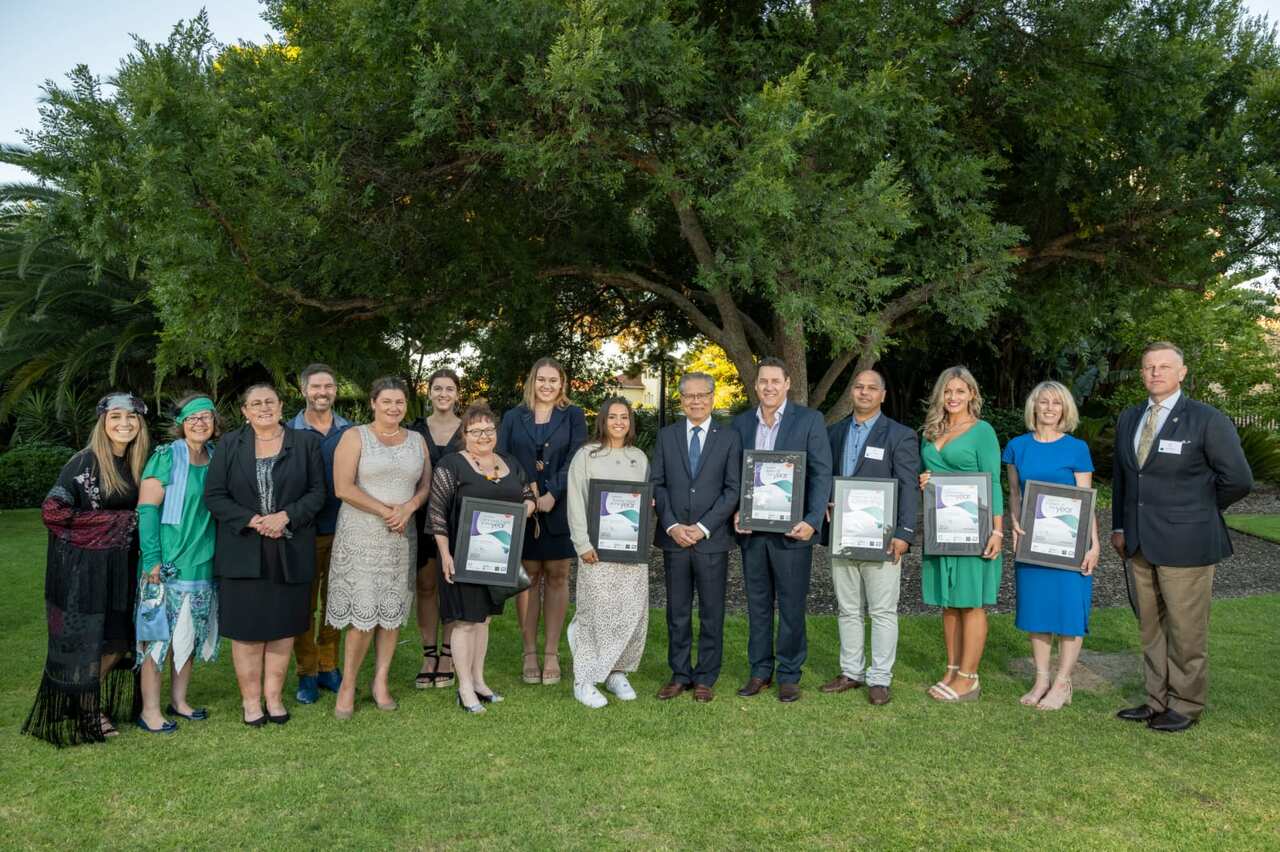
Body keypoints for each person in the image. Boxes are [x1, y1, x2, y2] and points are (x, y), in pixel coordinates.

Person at [1111, 342, 1252, 732]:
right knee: (1151, 627)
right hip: (1139, 543)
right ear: (1141, 374)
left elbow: (1239, 479)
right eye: (1148, 367)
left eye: (1164, 367)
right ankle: (1157, 700)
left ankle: (1186, 704)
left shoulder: (1207, 419)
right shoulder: (1130, 418)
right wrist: (1119, 527)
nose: (1155, 373)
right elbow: (1125, 478)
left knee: (1186, 630)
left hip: (1187, 544)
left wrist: (1198, 511)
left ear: (1182, 372)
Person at [22, 393, 151, 746]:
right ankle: (89, 710)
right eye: (116, 418)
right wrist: (121, 522)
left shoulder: (140, 463)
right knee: (91, 643)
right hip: (86, 570)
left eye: (131, 418)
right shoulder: (85, 463)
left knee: (120, 641)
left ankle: (80, 698)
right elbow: (54, 511)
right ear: (103, 423)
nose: (124, 424)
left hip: (124, 569)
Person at [205, 382, 326, 727]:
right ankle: (250, 702)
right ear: (244, 411)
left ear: (281, 405)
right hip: (243, 551)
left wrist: (286, 516)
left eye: (269, 402)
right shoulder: (229, 445)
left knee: (282, 629)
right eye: (255, 403)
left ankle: (274, 698)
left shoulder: (305, 444)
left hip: (289, 548)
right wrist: (253, 521)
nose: (263, 408)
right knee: (247, 632)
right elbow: (214, 496)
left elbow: (318, 493)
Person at [327, 377, 431, 719]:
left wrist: (410, 507)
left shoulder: (417, 440)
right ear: (373, 403)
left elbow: (425, 485)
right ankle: (348, 684)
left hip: (401, 537)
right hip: (361, 534)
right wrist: (387, 511)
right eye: (386, 401)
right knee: (363, 614)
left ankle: (381, 681)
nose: (393, 407)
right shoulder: (354, 436)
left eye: (399, 402)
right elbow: (343, 487)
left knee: (392, 612)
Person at [730, 357, 833, 703]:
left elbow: (821, 473)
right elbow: (734, 476)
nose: (769, 387)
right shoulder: (742, 424)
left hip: (793, 532)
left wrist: (812, 519)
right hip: (753, 532)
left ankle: (789, 673)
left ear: (788, 384)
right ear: (756, 385)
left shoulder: (809, 421)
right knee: (757, 604)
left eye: (776, 381)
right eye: (763, 381)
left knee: (790, 605)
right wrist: (735, 512)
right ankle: (760, 671)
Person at [429, 403, 537, 714]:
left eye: (489, 430)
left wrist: (520, 513)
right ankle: (463, 688)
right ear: (464, 434)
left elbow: (528, 496)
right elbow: (437, 513)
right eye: (476, 431)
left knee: (485, 619)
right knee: (465, 621)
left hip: (497, 557)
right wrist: (445, 554)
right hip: (462, 556)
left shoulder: (509, 463)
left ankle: (478, 681)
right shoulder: (451, 465)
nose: (483, 435)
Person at [822, 370, 920, 706]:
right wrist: (822, 504)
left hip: (883, 538)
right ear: (852, 392)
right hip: (842, 535)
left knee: (881, 610)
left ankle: (879, 677)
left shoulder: (900, 435)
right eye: (859, 387)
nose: (864, 392)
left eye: (871, 388)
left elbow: (909, 486)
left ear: (883, 394)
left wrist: (905, 534)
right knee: (847, 608)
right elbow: (823, 478)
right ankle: (851, 672)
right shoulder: (834, 433)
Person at [1003, 382, 1100, 711]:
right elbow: (1015, 494)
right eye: (1043, 402)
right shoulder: (1017, 447)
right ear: (1034, 407)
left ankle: (1062, 683)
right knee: (1037, 611)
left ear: (1064, 409)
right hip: (1033, 544)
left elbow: (1086, 501)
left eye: (1056, 403)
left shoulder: (1077, 449)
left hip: (1071, 544)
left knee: (1069, 612)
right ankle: (1042, 678)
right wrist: (1014, 523)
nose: (1048, 407)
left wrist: (1094, 545)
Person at [650, 373, 741, 703]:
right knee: (677, 610)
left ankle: (705, 675)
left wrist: (702, 528)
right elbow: (657, 483)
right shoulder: (667, 436)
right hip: (674, 539)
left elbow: (733, 490)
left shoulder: (729, 438)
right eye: (689, 396)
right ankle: (679, 673)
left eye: (702, 395)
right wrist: (673, 525)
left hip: (711, 540)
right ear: (681, 400)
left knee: (711, 610)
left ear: (713, 398)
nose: (696, 401)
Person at [134, 394, 223, 734]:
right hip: (168, 562)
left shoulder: (217, 458)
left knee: (188, 635)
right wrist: (153, 559)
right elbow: (147, 509)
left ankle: (180, 700)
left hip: (203, 561)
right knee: (158, 637)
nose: (200, 423)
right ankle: (150, 710)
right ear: (181, 423)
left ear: (214, 423)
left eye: (206, 417)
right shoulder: (166, 457)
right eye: (192, 418)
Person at [498, 358, 587, 685]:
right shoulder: (512, 417)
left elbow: (578, 457)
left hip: (562, 505)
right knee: (529, 576)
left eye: (554, 380)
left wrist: (551, 492)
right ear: (532, 382)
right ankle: (529, 652)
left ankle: (551, 652)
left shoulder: (574, 416)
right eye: (541, 380)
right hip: (523, 507)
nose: (547, 386)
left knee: (558, 575)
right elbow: (503, 458)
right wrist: (528, 493)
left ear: (562, 384)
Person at [918, 366, 1004, 703]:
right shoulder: (930, 432)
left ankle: (969, 678)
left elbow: (993, 481)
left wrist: (997, 530)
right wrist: (926, 481)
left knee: (970, 603)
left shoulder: (982, 432)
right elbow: (932, 475)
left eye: (960, 391)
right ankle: (952, 669)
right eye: (948, 391)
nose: (953, 397)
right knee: (948, 603)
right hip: (942, 527)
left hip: (974, 527)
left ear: (972, 394)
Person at [564, 397, 651, 709]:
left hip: (630, 553)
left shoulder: (638, 458)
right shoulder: (586, 456)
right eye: (612, 416)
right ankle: (584, 679)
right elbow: (575, 501)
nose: (618, 422)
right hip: (595, 552)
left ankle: (616, 672)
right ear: (602, 420)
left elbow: (641, 501)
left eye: (624, 417)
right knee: (596, 614)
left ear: (630, 422)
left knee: (631, 613)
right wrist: (582, 544)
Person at [287, 363, 352, 704]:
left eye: (328, 386)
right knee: (303, 605)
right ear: (303, 391)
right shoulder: (287, 432)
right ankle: (307, 671)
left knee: (336, 603)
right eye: (316, 387)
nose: (322, 392)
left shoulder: (351, 431)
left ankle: (329, 665)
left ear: (335, 390)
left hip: (344, 529)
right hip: (303, 532)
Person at [407, 368, 464, 689]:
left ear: (457, 394)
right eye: (437, 388)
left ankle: (448, 653)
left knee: (452, 586)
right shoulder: (415, 431)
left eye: (449, 388)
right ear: (429, 393)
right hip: (422, 518)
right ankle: (429, 653)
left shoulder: (468, 430)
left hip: (458, 519)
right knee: (426, 586)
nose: (443, 394)